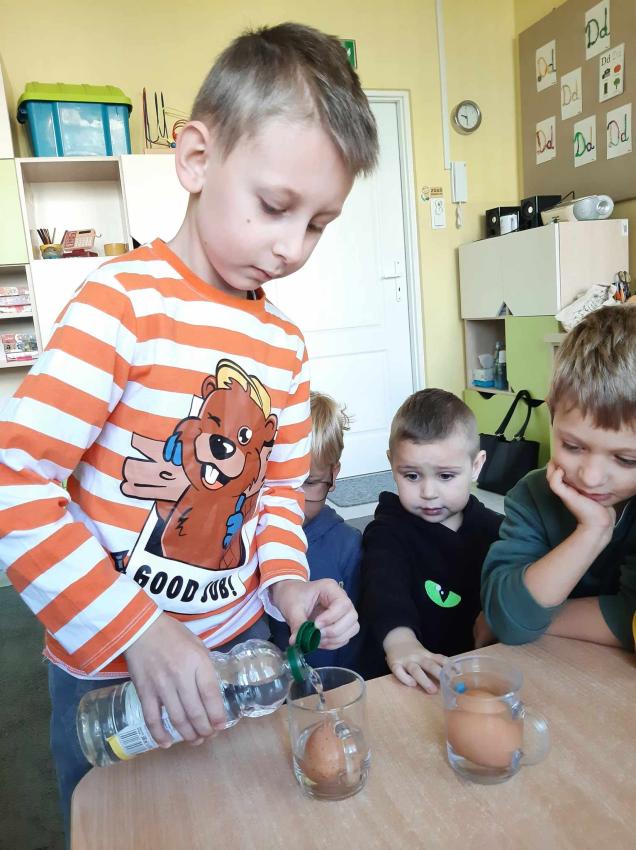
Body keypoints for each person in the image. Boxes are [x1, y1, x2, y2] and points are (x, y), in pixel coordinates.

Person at [0, 22, 378, 836]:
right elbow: (16, 487)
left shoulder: (284, 347)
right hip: (108, 667)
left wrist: (288, 586)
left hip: (238, 651)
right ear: (197, 159)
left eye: (319, 224)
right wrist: (135, 628)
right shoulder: (120, 305)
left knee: (234, 822)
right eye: (275, 207)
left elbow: (276, 499)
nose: (291, 248)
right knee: (125, 829)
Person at [481, 304, 636, 650]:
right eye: (572, 446)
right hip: (547, 667)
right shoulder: (531, 496)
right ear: (551, 414)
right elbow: (507, 617)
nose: (591, 478)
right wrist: (592, 531)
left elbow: (632, 619)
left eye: (626, 459)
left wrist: (536, 620)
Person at [358, 389, 502, 692]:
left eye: (445, 476)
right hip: (408, 678)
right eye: (412, 476)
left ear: (476, 466)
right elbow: (383, 588)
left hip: (477, 675)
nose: (428, 492)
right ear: (392, 464)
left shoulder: (496, 530)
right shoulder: (388, 530)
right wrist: (401, 643)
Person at [269, 391, 363, 669]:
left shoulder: (347, 545)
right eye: (280, 482)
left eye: (309, 483)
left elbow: (356, 639)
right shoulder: (246, 541)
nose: (294, 500)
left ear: (333, 474)